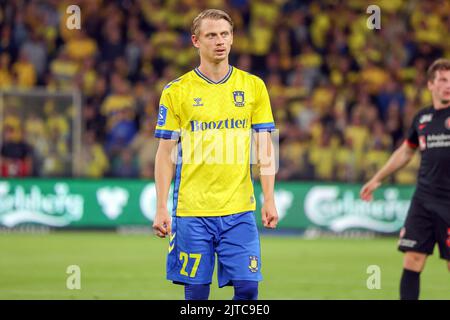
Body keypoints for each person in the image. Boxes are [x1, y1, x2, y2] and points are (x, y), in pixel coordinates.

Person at [152, 9, 278, 300]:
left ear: (232, 38)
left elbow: (265, 146)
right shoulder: (176, 91)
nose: (220, 41)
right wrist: (161, 206)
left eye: (225, 34)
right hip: (192, 211)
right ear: (196, 41)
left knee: (248, 289)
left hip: (239, 211)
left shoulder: (253, 87)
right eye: (211, 35)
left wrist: (269, 198)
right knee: (196, 295)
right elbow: (164, 153)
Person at [360, 58, 450, 300]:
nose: (448, 85)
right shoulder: (422, 119)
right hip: (423, 200)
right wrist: (378, 178)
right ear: (431, 84)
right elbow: (406, 151)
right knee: (412, 259)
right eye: (442, 80)